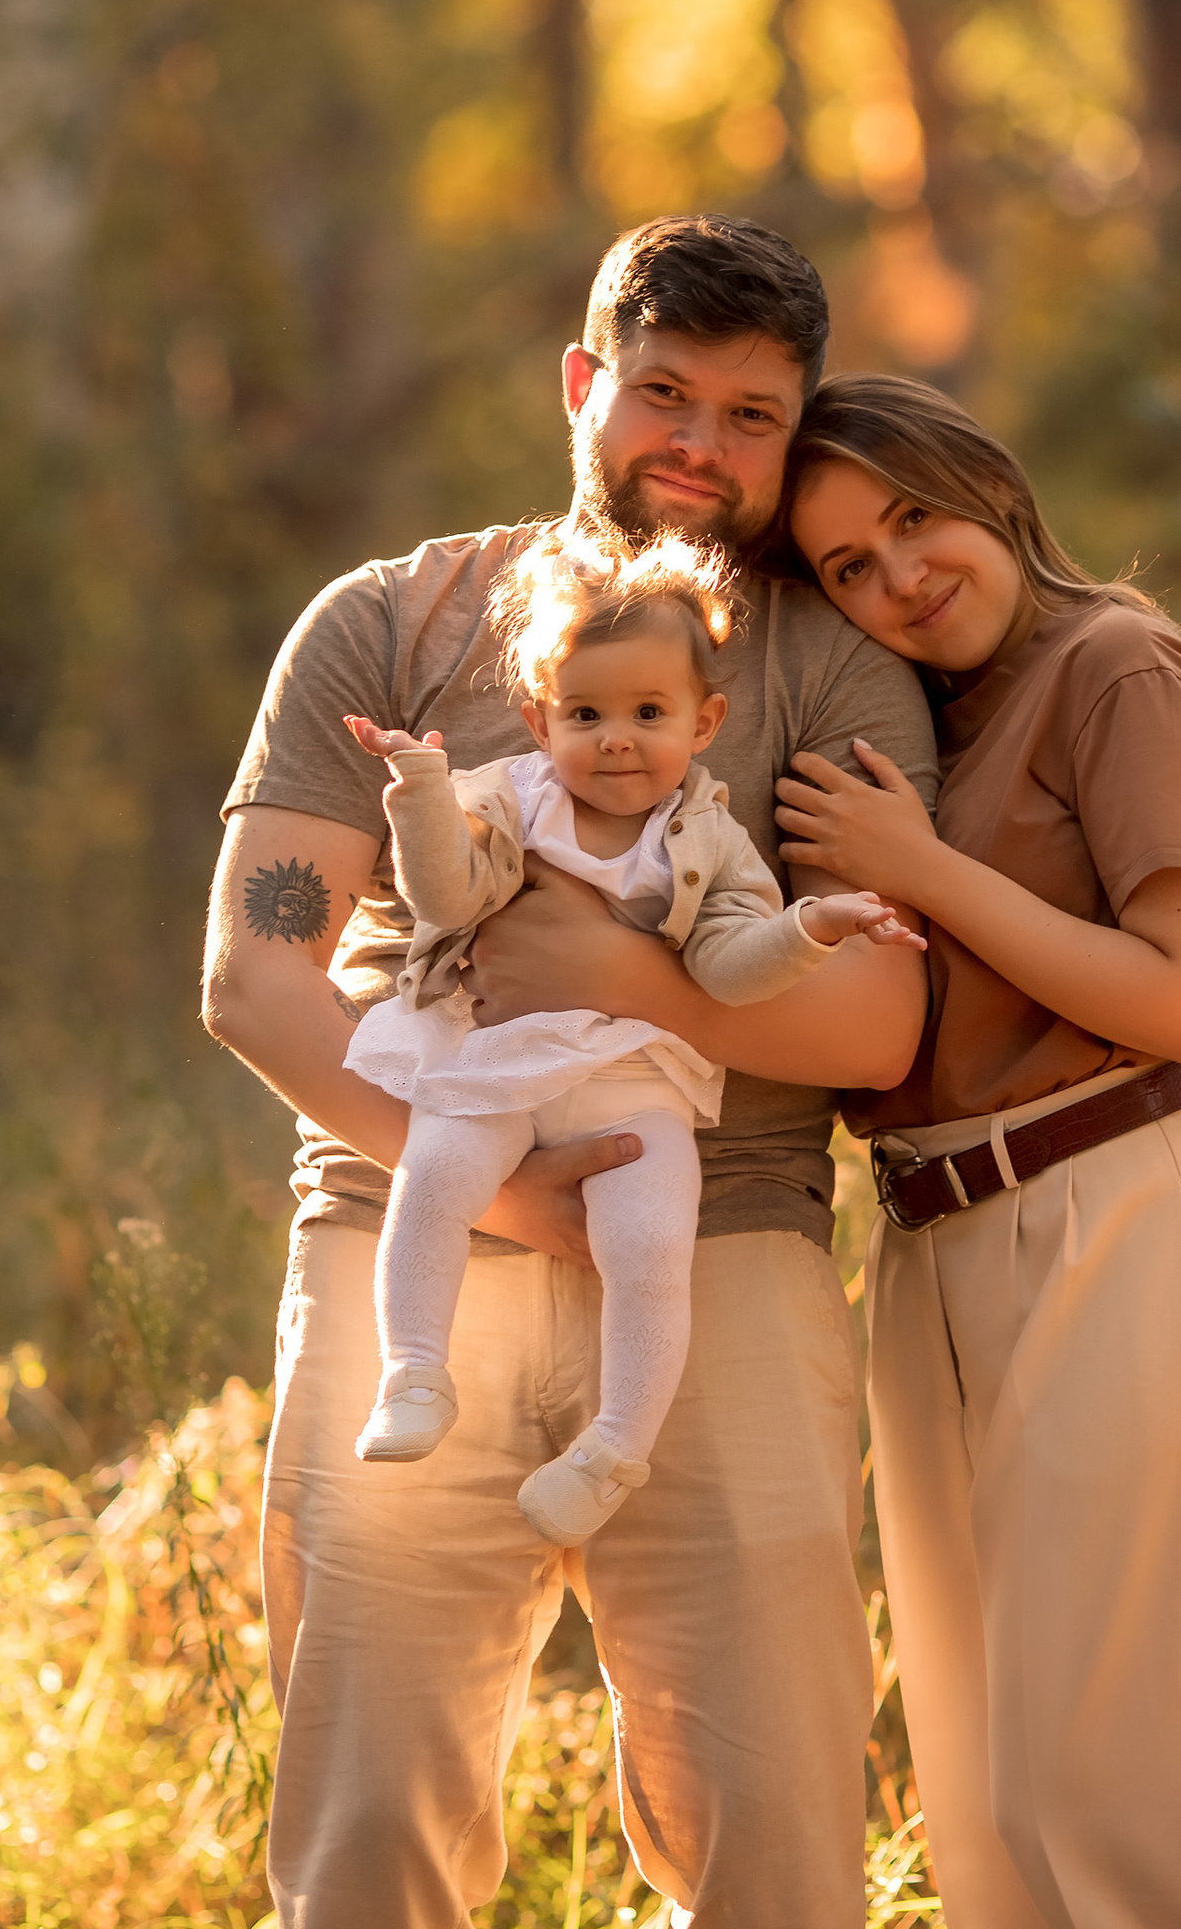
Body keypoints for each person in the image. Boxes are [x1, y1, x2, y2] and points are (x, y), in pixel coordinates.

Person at [201, 216, 938, 1929]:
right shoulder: (392, 621)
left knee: (770, 1822)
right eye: (664, 393)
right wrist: (516, 1193)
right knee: (368, 1820)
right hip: (411, 1237)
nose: (701, 444)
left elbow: (872, 1032)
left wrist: (620, 975)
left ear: (796, 433)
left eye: (754, 415)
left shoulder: (834, 667)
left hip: (725, 1249)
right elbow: (255, 979)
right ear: (580, 384)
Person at [771, 371, 1181, 1929]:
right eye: (847, 565)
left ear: (987, 485)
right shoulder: (914, 721)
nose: (898, 576)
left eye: (912, 520)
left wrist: (920, 869)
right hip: (929, 1245)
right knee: (998, 1791)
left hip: (1114, 1202)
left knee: (1154, 1766)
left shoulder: (1116, 663)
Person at [338, 530, 921, 1543]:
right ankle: (414, 1370)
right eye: (585, 714)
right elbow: (443, 889)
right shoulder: (506, 798)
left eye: (648, 714)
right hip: (501, 1053)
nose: (616, 738)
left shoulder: (708, 838)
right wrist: (421, 791)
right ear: (537, 718)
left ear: (704, 723)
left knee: (650, 1242)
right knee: (433, 1176)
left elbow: (731, 970)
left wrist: (811, 927)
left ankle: (614, 1446)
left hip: (636, 1076)